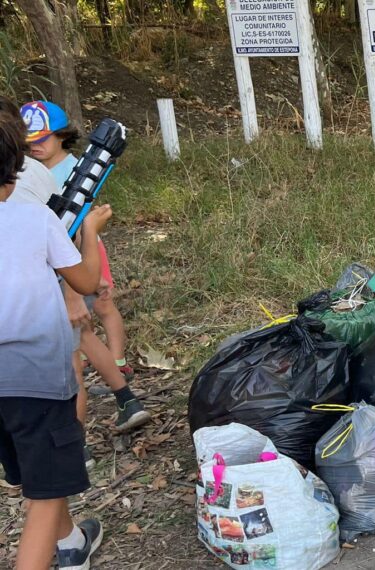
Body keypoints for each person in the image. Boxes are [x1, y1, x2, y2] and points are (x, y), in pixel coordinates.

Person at [0, 114, 105, 570]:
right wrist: (90, 232)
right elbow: (85, 281)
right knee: (45, 496)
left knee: (34, 476)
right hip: (37, 378)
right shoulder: (32, 216)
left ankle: (73, 542)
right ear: (14, 170)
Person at [21, 100, 149, 434]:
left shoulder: (61, 172)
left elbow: (73, 232)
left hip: (70, 270)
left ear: (61, 136)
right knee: (85, 338)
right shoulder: (33, 171)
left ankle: (75, 441)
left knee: (72, 360)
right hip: (65, 271)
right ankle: (125, 398)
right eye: (28, 141)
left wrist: (78, 289)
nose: (35, 147)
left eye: (42, 139)